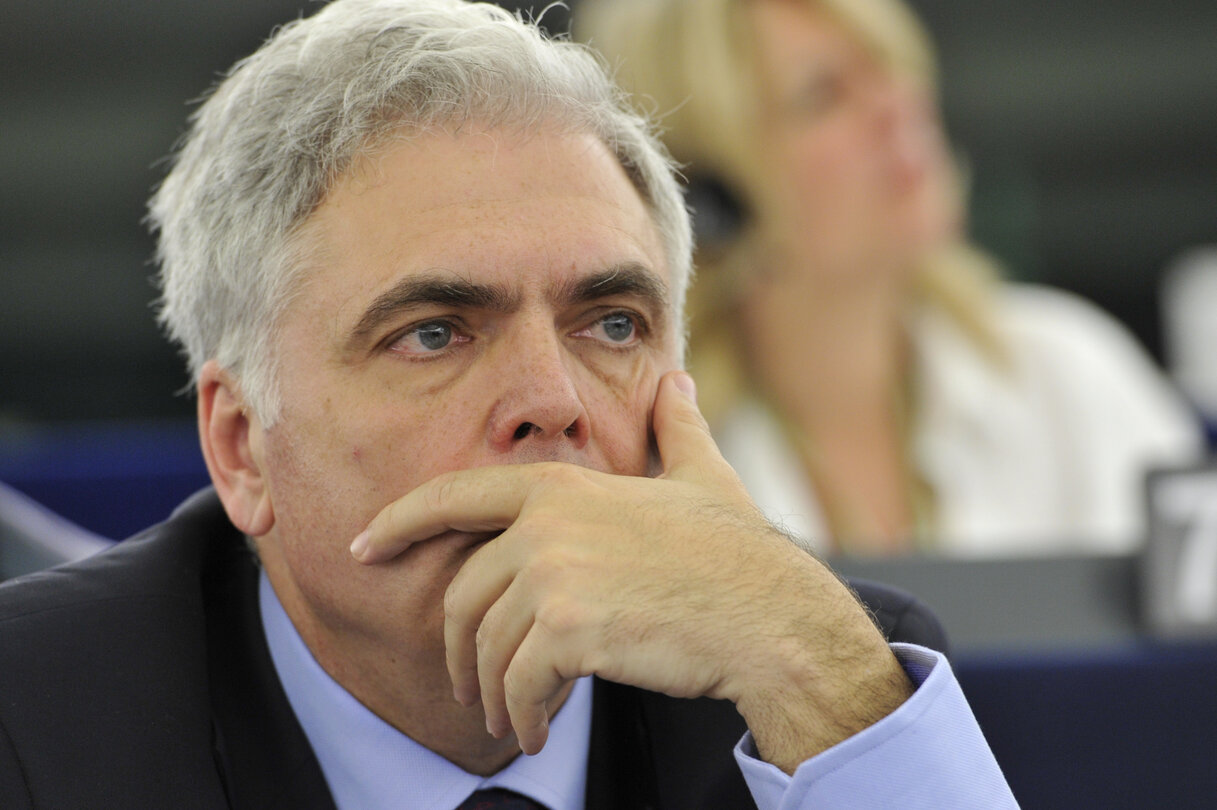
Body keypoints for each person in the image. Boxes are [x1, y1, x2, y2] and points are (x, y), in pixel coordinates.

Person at [0, 1, 1015, 807]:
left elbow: (812, 663)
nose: (551, 401)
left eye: (611, 324)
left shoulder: (804, 674)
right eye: (434, 333)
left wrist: (810, 662)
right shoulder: (36, 718)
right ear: (242, 448)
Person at [575, 0, 1205, 556]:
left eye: (887, 64)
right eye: (824, 93)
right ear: (709, 201)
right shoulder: (652, 467)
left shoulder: (1067, 372)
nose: (897, 105)